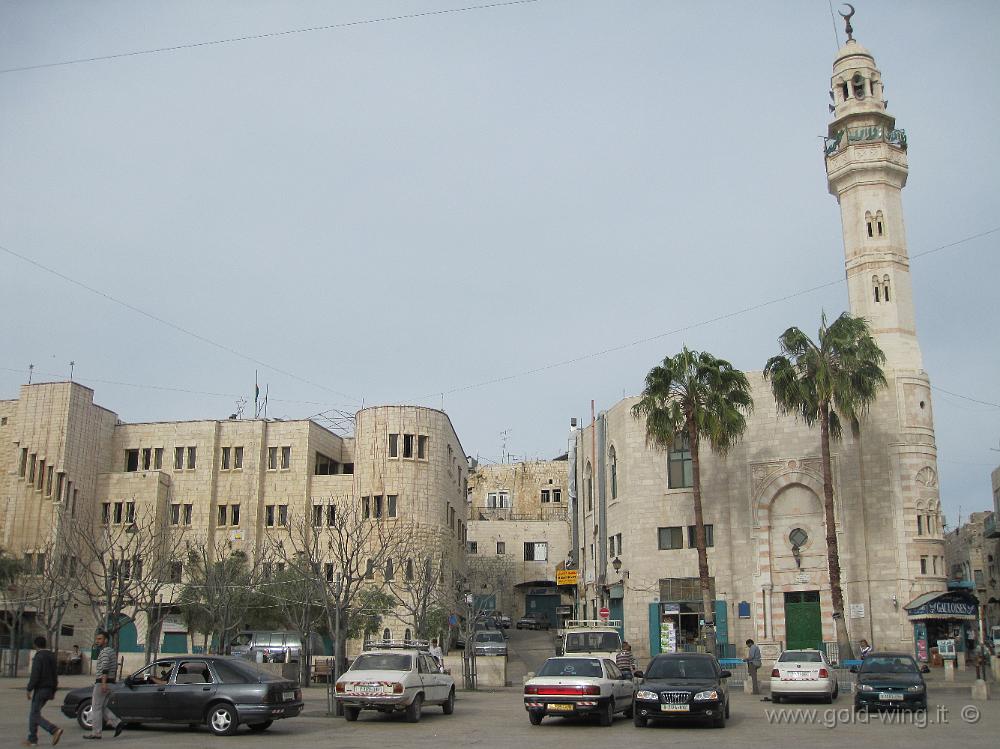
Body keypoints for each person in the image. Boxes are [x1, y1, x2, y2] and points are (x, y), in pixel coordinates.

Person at [84, 631, 123, 740]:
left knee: (96, 707)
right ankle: (117, 723)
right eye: (97, 639)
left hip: (103, 682)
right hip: (110, 682)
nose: (97, 641)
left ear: (106, 640)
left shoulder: (105, 652)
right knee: (102, 707)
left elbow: (105, 668)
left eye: (100, 639)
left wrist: (103, 683)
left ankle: (96, 733)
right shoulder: (111, 651)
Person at [25, 636, 63, 747]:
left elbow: (35, 674)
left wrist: (29, 688)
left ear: (35, 645)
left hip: (41, 688)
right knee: (34, 713)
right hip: (50, 688)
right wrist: (54, 690)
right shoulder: (52, 656)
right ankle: (32, 739)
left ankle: (53, 730)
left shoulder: (39, 657)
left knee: (34, 715)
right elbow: (55, 674)